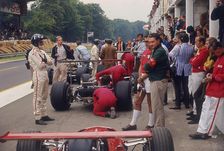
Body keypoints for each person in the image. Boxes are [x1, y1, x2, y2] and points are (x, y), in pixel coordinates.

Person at [189, 42, 224, 140]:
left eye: (216, 51)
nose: (215, 54)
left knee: (212, 112)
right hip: (211, 88)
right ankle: (201, 130)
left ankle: (207, 132)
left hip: (219, 90)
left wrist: (213, 77)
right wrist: (211, 75)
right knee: (205, 110)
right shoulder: (218, 58)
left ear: (221, 48)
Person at [122, 37, 154, 131]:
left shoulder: (153, 53)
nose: (147, 43)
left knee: (150, 102)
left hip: (148, 78)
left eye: (148, 41)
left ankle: (151, 124)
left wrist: (142, 77)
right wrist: (139, 77)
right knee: (137, 101)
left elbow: (152, 68)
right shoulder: (145, 52)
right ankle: (133, 123)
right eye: (146, 42)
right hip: (142, 78)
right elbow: (141, 65)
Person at [144, 33, 170, 127]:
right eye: (149, 42)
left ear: (158, 41)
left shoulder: (159, 51)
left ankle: (159, 129)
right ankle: (158, 128)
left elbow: (149, 65)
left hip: (158, 80)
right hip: (156, 79)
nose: (150, 44)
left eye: (153, 41)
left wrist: (146, 66)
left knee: (158, 107)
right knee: (156, 106)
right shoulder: (155, 50)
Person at [28, 34, 54, 125]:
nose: (42, 42)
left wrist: (45, 61)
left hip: (45, 74)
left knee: (44, 95)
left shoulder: (42, 52)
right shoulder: (32, 53)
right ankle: (37, 117)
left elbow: (50, 61)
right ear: (35, 42)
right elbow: (40, 65)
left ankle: (44, 114)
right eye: (40, 41)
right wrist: (45, 61)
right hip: (38, 74)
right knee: (37, 97)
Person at [188, 36, 209, 124]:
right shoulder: (199, 50)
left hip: (199, 73)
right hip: (195, 72)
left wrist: (193, 60)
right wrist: (193, 60)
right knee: (193, 92)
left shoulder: (204, 51)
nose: (195, 43)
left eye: (197, 41)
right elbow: (192, 60)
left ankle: (197, 113)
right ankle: (194, 111)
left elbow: (195, 62)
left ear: (201, 42)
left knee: (196, 93)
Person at [170, 33, 194, 110]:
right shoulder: (191, 47)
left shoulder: (178, 47)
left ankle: (178, 104)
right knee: (185, 86)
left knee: (177, 87)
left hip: (179, 67)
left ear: (180, 39)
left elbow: (170, 55)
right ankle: (187, 103)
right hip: (187, 67)